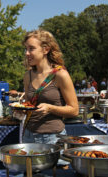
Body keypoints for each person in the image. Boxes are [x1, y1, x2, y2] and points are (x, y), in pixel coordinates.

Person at [13, 29, 78, 166]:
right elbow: (29, 104)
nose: (27, 53)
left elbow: (74, 110)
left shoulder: (60, 75)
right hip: (28, 135)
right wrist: (21, 110)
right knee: (30, 176)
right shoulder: (28, 76)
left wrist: (50, 108)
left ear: (45, 49)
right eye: (26, 49)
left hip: (52, 138)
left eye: (31, 49)